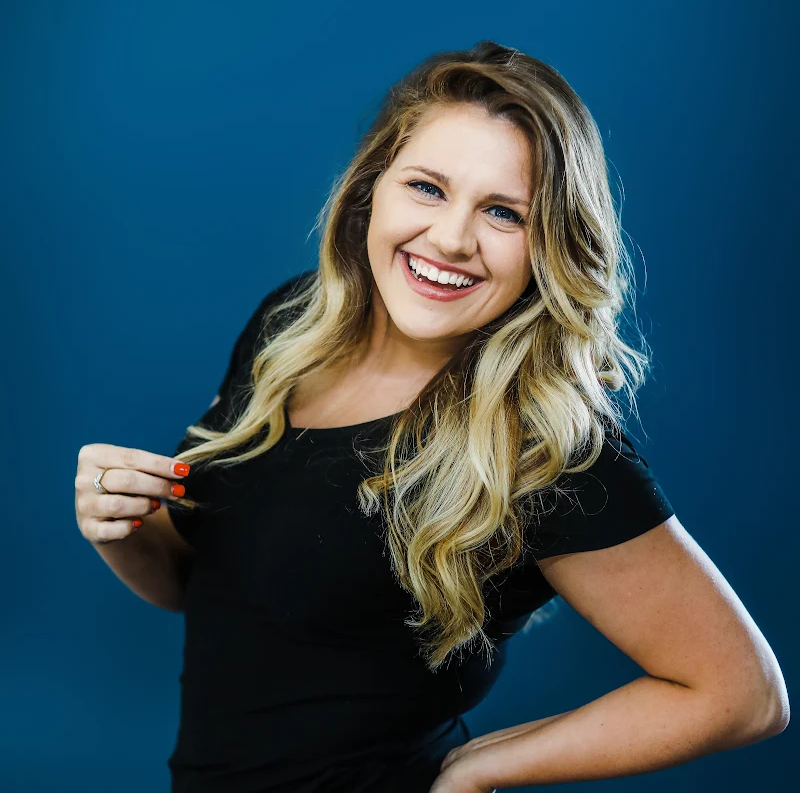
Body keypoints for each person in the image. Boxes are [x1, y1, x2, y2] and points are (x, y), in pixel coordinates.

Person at [75, 41, 789, 792]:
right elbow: (205, 589)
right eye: (427, 188)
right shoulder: (289, 329)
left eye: (504, 213)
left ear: (549, 246)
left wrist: (483, 767)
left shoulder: (547, 450)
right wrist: (118, 526)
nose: (451, 239)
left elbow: (743, 694)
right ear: (371, 189)